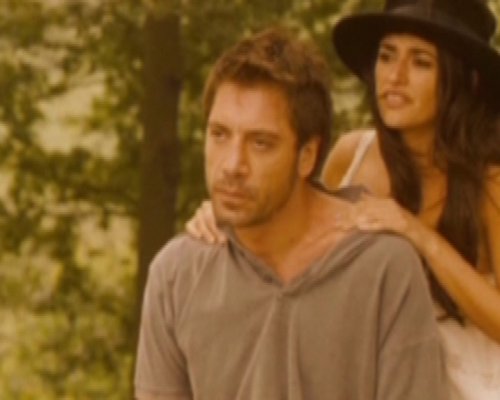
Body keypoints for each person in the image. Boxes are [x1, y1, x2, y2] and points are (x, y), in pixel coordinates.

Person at [186, 0, 500, 399]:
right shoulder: (352, 155)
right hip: (365, 375)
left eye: (420, 62)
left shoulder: (490, 180)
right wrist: (230, 213)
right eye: (387, 56)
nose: (396, 76)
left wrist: (419, 235)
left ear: (462, 80)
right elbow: (296, 231)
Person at [135, 27, 447, 400]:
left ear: (307, 157)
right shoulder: (176, 274)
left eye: (260, 143)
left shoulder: (384, 269)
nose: (232, 165)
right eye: (219, 135)